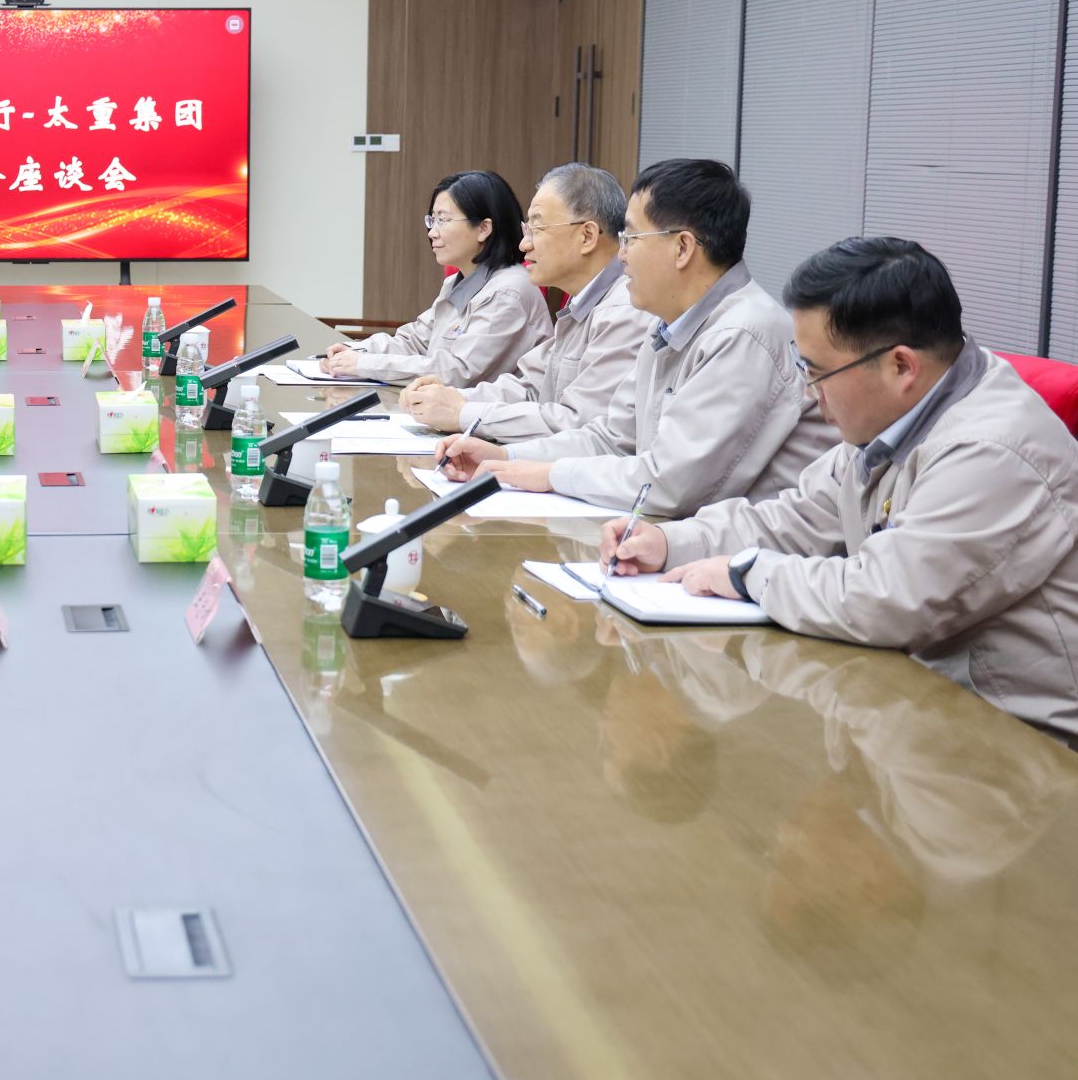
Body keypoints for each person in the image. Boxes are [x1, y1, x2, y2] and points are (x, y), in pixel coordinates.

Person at [604, 237, 1078, 742]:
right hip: (916, 708)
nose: (809, 392)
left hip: (1017, 746)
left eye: (817, 372)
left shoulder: (991, 450)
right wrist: (671, 542)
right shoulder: (896, 416)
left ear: (901, 366)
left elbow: (884, 598)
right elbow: (795, 518)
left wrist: (745, 572)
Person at [437, 159, 831, 513]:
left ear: (683, 248)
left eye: (631, 239)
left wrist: (548, 474)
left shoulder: (744, 332)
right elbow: (611, 437)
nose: (621, 254)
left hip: (747, 553)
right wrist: (507, 458)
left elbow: (670, 485)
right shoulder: (669, 324)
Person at [403, 163, 655, 442]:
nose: (524, 244)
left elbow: (579, 424)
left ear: (587, 236)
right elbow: (529, 387)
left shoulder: (624, 311)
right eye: (527, 229)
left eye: (537, 228)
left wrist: (462, 413)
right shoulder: (581, 305)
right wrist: (452, 399)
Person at [321, 170, 552, 386]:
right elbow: (416, 341)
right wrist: (359, 351)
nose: (432, 232)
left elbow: (459, 372)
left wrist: (364, 365)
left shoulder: (508, 291)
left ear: (483, 228)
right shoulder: (460, 282)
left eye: (443, 220)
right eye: (432, 220)